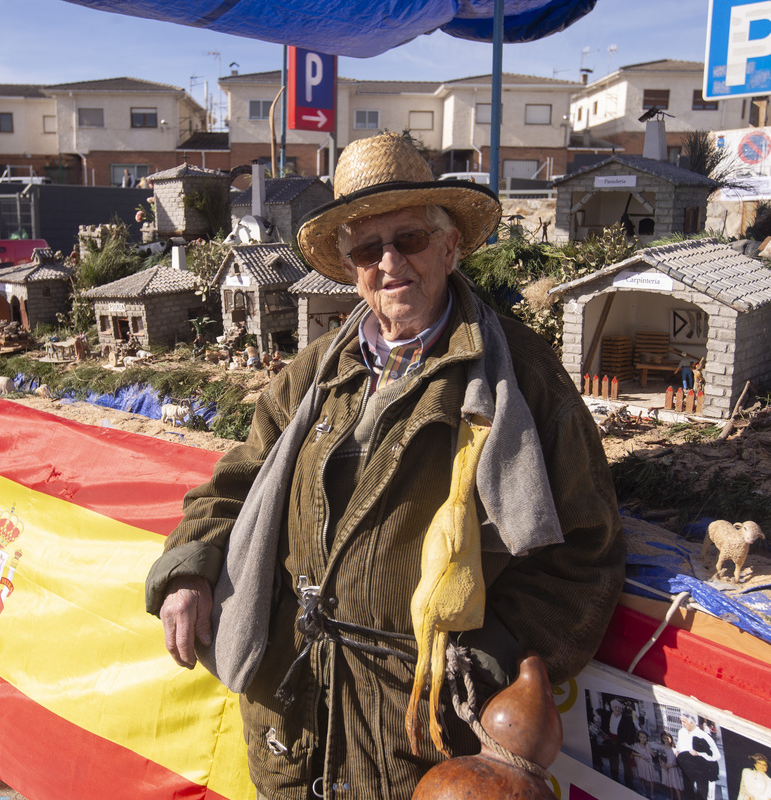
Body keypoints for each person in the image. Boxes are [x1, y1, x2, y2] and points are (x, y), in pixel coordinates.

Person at [144, 131, 625, 800]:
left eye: (410, 240)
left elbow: (585, 552)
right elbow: (239, 479)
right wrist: (189, 570)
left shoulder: (518, 376)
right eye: (369, 249)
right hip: (294, 707)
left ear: (451, 244)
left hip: (417, 730)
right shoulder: (316, 370)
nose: (390, 262)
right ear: (350, 267)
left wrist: (484, 656)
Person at [675, 713, 720, 800]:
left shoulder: (703, 735)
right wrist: (677, 752)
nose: (682, 724)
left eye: (684, 722)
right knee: (688, 792)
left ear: (692, 723)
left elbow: (716, 755)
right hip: (687, 768)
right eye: (682, 722)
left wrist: (699, 754)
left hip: (701, 769)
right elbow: (679, 746)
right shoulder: (681, 732)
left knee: (701, 794)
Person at [600, 698, 639, 787]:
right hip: (611, 741)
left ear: (621, 708)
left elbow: (633, 731)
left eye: (619, 707)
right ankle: (615, 780)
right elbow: (603, 728)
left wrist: (630, 743)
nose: (617, 709)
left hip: (623, 742)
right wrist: (604, 736)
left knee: (626, 762)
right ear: (612, 708)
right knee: (613, 760)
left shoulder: (627, 718)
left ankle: (628, 782)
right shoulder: (607, 716)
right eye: (615, 707)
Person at [629, 729, 658, 797]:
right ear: (638, 737)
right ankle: (644, 791)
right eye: (641, 737)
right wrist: (641, 756)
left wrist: (650, 748)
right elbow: (632, 753)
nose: (643, 739)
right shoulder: (636, 745)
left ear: (646, 738)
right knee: (642, 778)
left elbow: (653, 755)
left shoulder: (648, 745)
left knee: (651, 779)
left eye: (644, 737)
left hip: (648, 764)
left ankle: (652, 793)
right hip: (641, 764)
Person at [656, 731, 684, 800]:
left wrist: (670, 765)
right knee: (670, 785)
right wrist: (661, 764)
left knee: (676, 785)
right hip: (665, 768)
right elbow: (660, 757)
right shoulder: (661, 748)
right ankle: (672, 797)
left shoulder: (675, 750)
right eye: (664, 738)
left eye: (667, 738)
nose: (666, 740)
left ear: (671, 739)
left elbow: (678, 763)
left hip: (673, 769)